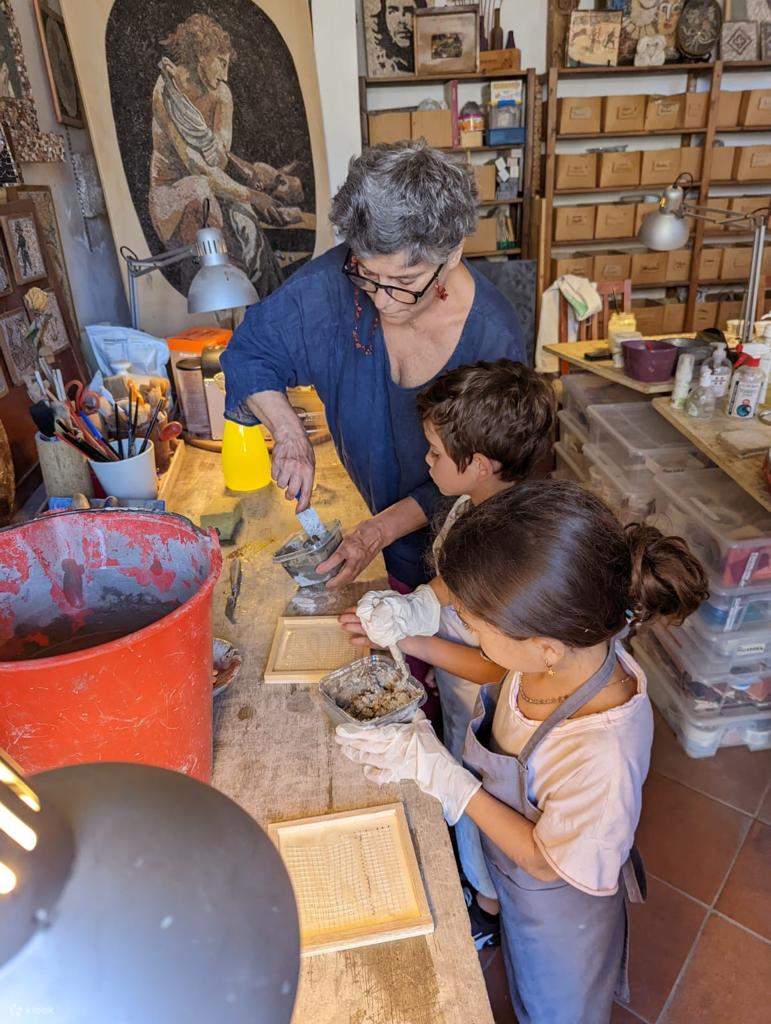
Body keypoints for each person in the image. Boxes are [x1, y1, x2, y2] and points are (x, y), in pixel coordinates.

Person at [337, 481, 708, 1023]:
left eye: (475, 626)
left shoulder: (601, 754)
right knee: (520, 977)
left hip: (559, 914)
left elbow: (544, 859)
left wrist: (446, 779)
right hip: (515, 882)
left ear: (545, 648)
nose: (468, 631)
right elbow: (499, 670)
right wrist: (409, 636)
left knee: (550, 1008)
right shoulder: (560, 653)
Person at [222, 141, 525, 597]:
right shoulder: (332, 284)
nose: (381, 300)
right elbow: (251, 352)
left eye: (404, 281)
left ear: (453, 253)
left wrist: (379, 531)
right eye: (367, 273)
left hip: (466, 560)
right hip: (380, 535)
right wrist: (289, 435)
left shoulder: (493, 338)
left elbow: (489, 477)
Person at [339, 358, 556, 948]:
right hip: (460, 693)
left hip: (489, 711)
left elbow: (498, 668)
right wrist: (412, 608)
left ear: (480, 463)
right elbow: (451, 582)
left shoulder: (511, 546)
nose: (427, 461)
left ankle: (486, 908)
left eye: (435, 452)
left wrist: (410, 639)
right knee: (457, 784)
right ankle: (476, 882)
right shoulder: (470, 507)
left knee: (478, 804)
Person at [150, 13, 303, 299]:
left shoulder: (222, 94)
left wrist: (247, 194)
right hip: (173, 200)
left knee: (247, 224)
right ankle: (220, 298)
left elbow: (218, 160)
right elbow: (196, 166)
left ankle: (267, 307)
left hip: (215, 191)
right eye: (221, 63)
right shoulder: (167, 89)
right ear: (201, 56)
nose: (225, 74)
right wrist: (252, 195)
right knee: (201, 190)